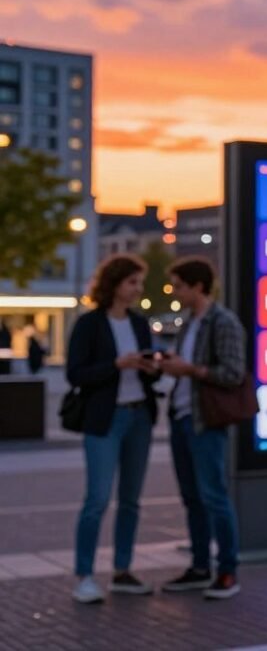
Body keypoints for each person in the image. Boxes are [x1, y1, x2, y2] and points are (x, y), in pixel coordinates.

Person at [66, 254, 160, 604]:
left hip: (139, 416)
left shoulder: (139, 323)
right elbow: (75, 374)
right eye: (132, 282)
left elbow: (150, 368)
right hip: (105, 419)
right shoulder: (89, 324)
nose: (138, 289)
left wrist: (152, 368)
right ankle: (85, 576)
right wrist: (116, 365)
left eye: (139, 283)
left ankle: (123, 571)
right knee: (98, 499)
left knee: (131, 500)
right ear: (115, 284)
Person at [156, 257, 245, 600]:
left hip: (205, 421)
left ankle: (227, 570)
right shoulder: (189, 323)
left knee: (214, 496)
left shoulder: (222, 322)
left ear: (198, 286)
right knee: (192, 498)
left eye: (179, 286)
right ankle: (199, 566)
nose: (175, 292)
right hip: (182, 417)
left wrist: (190, 370)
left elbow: (233, 373)